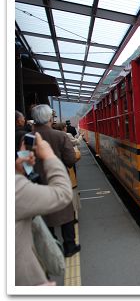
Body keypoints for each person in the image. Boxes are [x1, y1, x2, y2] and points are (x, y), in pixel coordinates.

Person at [16, 132, 72, 286]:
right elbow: (62, 194)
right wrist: (48, 155)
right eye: (24, 148)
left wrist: (18, 170)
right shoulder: (14, 189)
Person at [31, 104, 80, 257]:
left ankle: (52, 246)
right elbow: (70, 160)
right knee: (66, 214)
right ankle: (69, 247)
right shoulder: (60, 136)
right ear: (49, 118)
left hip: (36, 182)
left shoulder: (28, 137)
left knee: (44, 215)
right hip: (58, 180)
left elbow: (24, 162)